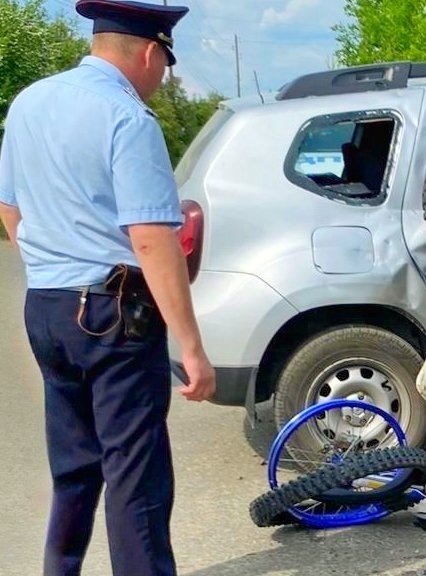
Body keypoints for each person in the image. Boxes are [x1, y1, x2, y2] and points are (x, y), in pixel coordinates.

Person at [0, 1, 215, 574]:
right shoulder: (128, 118)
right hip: (113, 315)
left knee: (74, 467)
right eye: (165, 64)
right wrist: (191, 346)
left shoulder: (29, 103)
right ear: (149, 53)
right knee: (135, 476)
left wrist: (51, 264)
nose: (162, 78)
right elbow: (151, 239)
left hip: (46, 307)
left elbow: (9, 208)